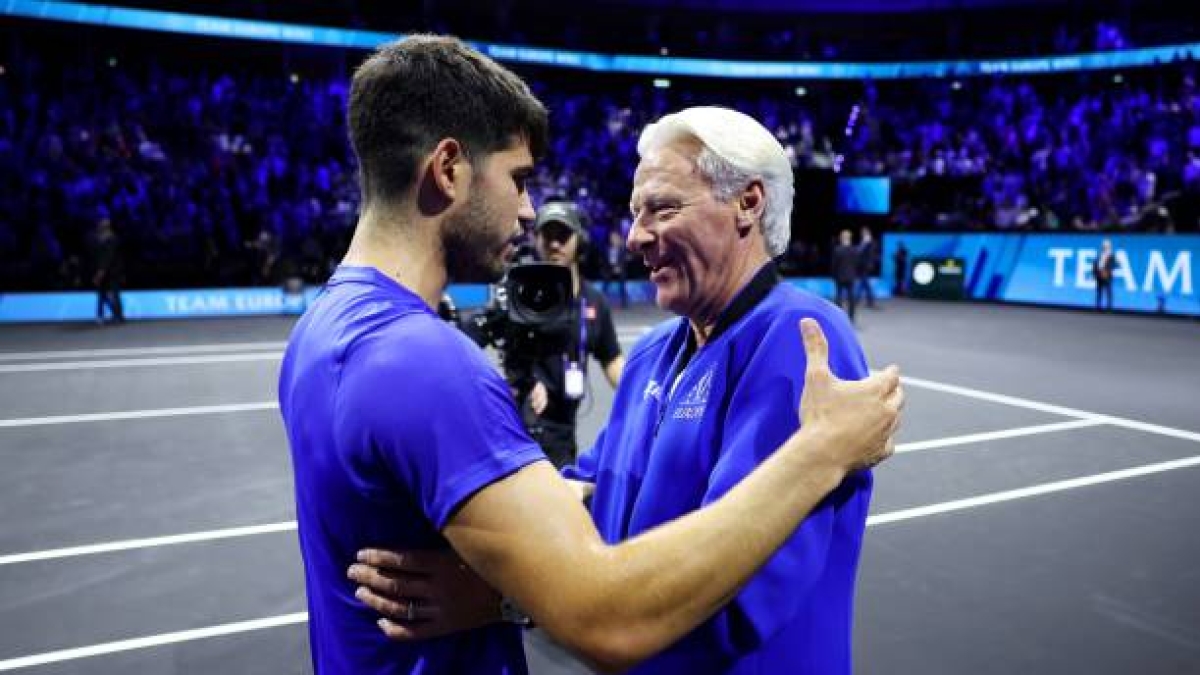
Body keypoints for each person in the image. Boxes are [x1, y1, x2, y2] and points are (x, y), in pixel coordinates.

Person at [350, 106, 895, 674]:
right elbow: (589, 494)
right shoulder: (654, 354)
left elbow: (730, 598)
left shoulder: (800, 341)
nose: (635, 237)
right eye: (636, 214)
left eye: (662, 208)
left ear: (748, 203)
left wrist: (504, 598)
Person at [520, 201, 625, 468]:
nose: (555, 244)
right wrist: (525, 380)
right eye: (548, 236)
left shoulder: (593, 301)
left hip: (564, 432)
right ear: (536, 240)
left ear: (580, 242)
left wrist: (643, 395)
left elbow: (611, 358)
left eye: (563, 236)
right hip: (522, 428)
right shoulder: (520, 297)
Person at [91, 216, 125, 324]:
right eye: (101, 224)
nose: (102, 226)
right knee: (102, 293)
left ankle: (118, 315)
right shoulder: (98, 239)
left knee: (113, 293)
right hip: (103, 270)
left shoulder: (112, 239)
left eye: (105, 225)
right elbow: (98, 256)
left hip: (112, 271)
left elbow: (108, 258)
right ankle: (101, 314)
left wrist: (101, 272)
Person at [831, 228, 859, 322]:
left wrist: (834, 275)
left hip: (840, 276)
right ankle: (851, 318)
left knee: (839, 297)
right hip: (851, 276)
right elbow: (857, 264)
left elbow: (834, 265)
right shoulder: (854, 249)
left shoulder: (837, 250)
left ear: (841, 238)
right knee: (851, 297)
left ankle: (839, 318)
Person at [601, 227, 629, 307]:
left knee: (622, 285)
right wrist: (609, 268)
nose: (613, 239)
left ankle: (624, 302)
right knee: (605, 285)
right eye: (611, 238)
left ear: (618, 238)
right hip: (609, 269)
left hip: (620, 269)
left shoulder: (622, 249)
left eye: (615, 238)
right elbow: (604, 261)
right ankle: (602, 302)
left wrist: (619, 267)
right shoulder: (607, 249)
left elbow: (624, 261)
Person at [855, 226, 878, 309]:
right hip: (863, 266)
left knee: (865, 283)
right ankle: (862, 300)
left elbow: (866, 253)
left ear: (867, 233)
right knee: (863, 283)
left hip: (866, 266)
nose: (862, 233)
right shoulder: (865, 242)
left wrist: (870, 265)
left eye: (863, 232)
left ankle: (870, 301)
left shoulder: (868, 242)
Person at [1093, 238, 1117, 311]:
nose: (1104, 247)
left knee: (1108, 291)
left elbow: (1114, 265)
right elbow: (1095, 264)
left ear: (1109, 247)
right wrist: (1095, 272)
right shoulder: (1100, 255)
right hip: (1099, 275)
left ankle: (1109, 307)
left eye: (1106, 246)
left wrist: (1106, 271)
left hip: (1107, 276)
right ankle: (1098, 306)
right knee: (1099, 291)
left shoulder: (1112, 256)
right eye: (1103, 246)